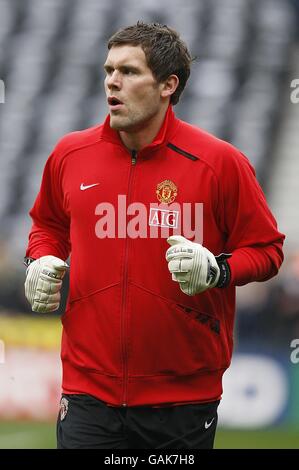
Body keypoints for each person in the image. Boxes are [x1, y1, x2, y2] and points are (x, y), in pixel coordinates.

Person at [24, 22, 285, 449]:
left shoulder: (220, 163)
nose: (112, 81)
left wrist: (218, 270)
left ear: (168, 85)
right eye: (109, 70)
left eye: (129, 71)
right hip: (87, 392)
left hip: (183, 400)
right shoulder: (70, 154)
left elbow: (268, 250)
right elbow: (47, 226)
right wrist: (39, 260)